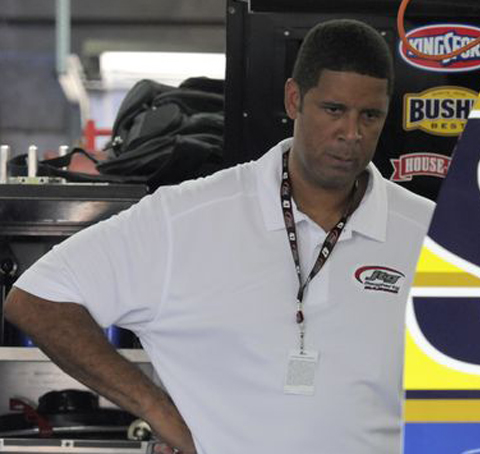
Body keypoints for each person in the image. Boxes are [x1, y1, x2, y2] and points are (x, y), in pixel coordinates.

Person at [3, 19, 434, 454]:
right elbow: (37, 300)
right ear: (294, 99)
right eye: (334, 110)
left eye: (370, 115)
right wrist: (158, 411)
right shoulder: (190, 217)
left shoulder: (432, 234)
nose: (352, 133)